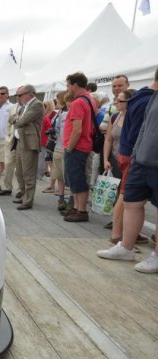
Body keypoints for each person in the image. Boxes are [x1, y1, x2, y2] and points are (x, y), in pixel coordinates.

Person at [97, 67, 158, 273]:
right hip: (140, 160)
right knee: (132, 201)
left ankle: (155, 255)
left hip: (145, 159)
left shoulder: (143, 98)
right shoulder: (147, 98)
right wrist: (136, 154)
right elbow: (142, 129)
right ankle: (126, 247)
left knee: (132, 201)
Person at [62, 72, 98, 222]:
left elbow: (77, 129)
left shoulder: (78, 102)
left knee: (77, 179)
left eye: (68, 84)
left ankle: (81, 210)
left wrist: (69, 147)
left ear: (75, 85)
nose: (67, 87)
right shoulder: (90, 99)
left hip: (77, 147)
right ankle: (77, 208)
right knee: (75, 179)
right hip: (83, 145)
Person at [11, 84, 44, 210]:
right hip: (20, 142)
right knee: (19, 172)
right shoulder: (24, 107)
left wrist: (18, 119)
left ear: (29, 94)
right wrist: (18, 118)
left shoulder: (37, 104)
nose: (18, 97)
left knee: (28, 173)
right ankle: (24, 195)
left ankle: (28, 200)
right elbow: (12, 119)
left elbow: (21, 122)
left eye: (20, 95)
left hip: (29, 143)